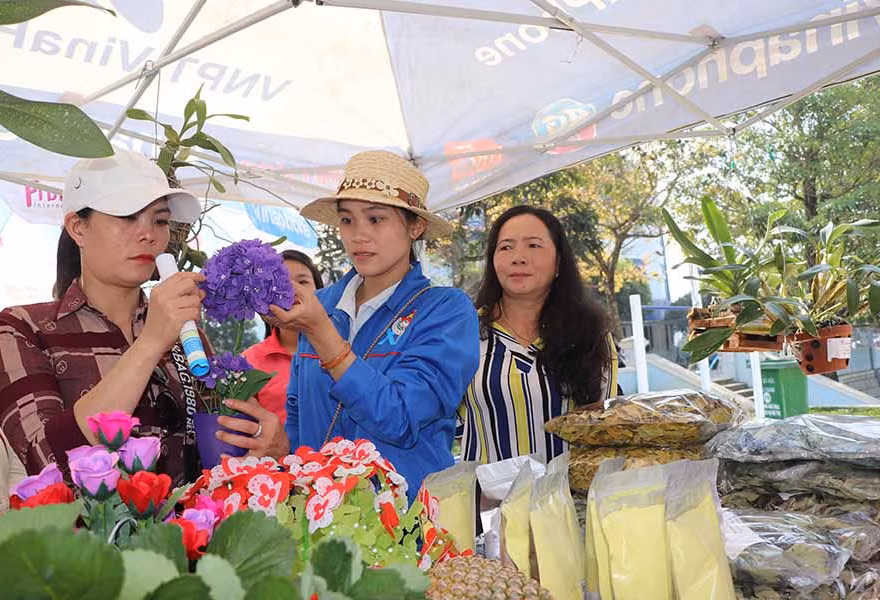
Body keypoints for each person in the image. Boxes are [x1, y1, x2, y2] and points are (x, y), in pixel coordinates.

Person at [218, 150, 480, 500]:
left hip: (407, 523)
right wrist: (280, 444)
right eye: (347, 220)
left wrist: (322, 333)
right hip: (317, 518)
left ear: (415, 227)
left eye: (376, 219)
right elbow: (298, 418)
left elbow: (401, 420)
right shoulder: (321, 305)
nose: (358, 235)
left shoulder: (445, 310)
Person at [0, 149, 205, 485]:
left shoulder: (182, 325)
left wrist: (259, 439)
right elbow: (47, 463)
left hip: (189, 533)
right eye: (127, 217)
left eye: (161, 220)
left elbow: (210, 439)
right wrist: (150, 343)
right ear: (78, 228)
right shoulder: (21, 328)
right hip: (85, 537)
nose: (149, 234)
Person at [460, 205, 622, 465]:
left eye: (533, 246)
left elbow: (607, 426)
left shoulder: (590, 334)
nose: (518, 257)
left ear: (559, 262)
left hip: (571, 500)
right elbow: (446, 420)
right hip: (488, 502)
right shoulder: (465, 332)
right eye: (506, 247)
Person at [242, 250, 323, 424]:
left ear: (320, 290)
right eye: (281, 282)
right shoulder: (250, 361)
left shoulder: (343, 349)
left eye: (303, 281)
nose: (292, 290)